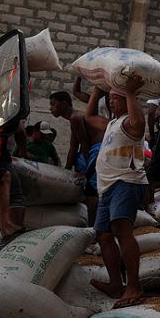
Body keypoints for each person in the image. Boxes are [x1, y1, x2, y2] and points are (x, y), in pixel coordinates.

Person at [87, 76, 150, 309]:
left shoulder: (130, 124)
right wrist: (96, 90)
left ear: (126, 100)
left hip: (126, 181)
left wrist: (132, 93)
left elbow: (140, 123)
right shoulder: (112, 124)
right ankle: (116, 283)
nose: (111, 102)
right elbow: (89, 117)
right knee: (103, 234)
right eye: (110, 98)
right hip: (107, 186)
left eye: (116, 98)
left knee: (122, 231)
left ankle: (133, 286)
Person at [50, 90, 106, 226]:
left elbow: (85, 144)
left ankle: (93, 227)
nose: (50, 108)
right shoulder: (74, 119)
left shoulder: (76, 117)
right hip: (94, 150)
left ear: (64, 104)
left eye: (53, 104)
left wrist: (88, 169)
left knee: (91, 191)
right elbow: (73, 146)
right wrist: (67, 171)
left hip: (97, 150)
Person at [0, 123, 27, 243]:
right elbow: (20, 130)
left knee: (2, 179)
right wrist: (23, 152)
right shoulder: (8, 110)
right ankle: (9, 230)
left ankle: (7, 229)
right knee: (5, 180)